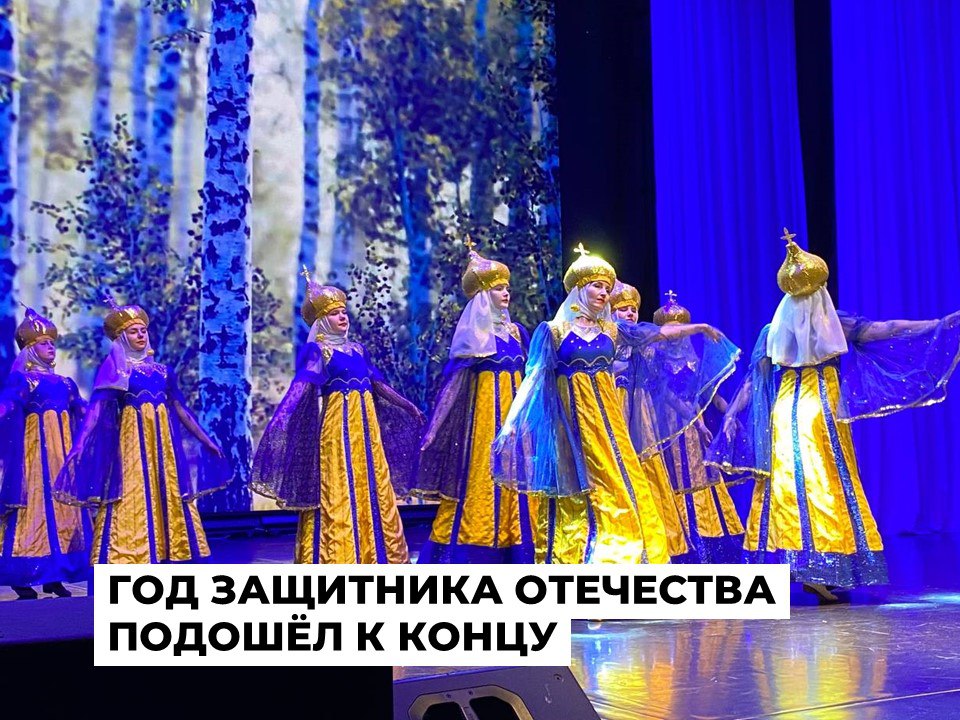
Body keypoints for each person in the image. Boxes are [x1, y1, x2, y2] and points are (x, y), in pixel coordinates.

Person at [709, 229, 960, 600]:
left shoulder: (772, 331)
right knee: (827, 481)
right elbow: (887, 330)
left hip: (785, 413)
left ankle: (802, 560)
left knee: (790, 484)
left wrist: (732, 416)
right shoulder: (833, 322)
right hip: (820, 409)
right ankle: (825, 561)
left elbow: (753, 381)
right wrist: (940, 324)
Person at [493, 244, 723, 564]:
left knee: (621, 483)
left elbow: (655, 334)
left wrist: (698, 328)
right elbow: (534, 380)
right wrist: (513, 424)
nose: (603, 293)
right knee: (578, 491)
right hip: (572, 428)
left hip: (609, 426)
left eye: (606, 288)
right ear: (579, 289)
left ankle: (622, 556)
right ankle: (577, 556)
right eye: (596, 286)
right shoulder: (553, 332)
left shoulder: (612, 330)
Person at [252, 269, 425, 564]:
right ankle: (339, 556)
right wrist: (283, 415)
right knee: (338, 485)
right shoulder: (318, 352)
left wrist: (408, 406)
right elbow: (302, 386)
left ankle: (375, 554)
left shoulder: (358, 349)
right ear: (322, 321)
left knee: (372, 483)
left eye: (344, 312)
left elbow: (378, 386)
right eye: (334, 314)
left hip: (366, 433)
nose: (343, 317)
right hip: (338, 430)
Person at [54, 293, 229, 564]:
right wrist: (79, 445)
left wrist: (206, 440)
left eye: (143, 330)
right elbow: (97, 411)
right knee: (133, 492)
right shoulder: (117, 373)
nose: (140, 335)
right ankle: (130, 554)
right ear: (122, 338)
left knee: (167, 489)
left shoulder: (163, 372)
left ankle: (170, 550)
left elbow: (181, 410)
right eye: (133, 331)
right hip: (132, 446)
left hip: (163, 447)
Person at [415, 242, 533, 563]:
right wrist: (435, 428)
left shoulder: (517, 333)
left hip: (516, 422)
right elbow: (455, 385)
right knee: (483, 478)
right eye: (498, 289)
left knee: (519, 478)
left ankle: (520, 548)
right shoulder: (475, 337)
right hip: (484, 425)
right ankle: (477, 552)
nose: (506, 293)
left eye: (507, 288)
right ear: (483, 296)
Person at [0, 307, 89, 598]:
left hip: (62, 458)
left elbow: (84, 412)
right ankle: (24, 577)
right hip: (35, 459)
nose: (51, 347)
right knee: (35, 510)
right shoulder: (24, 381)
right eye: (43, 343)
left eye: (52, 343)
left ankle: (56, 574)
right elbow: (8, 407)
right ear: (29, 349)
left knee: (64, 511)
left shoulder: (65, 383)